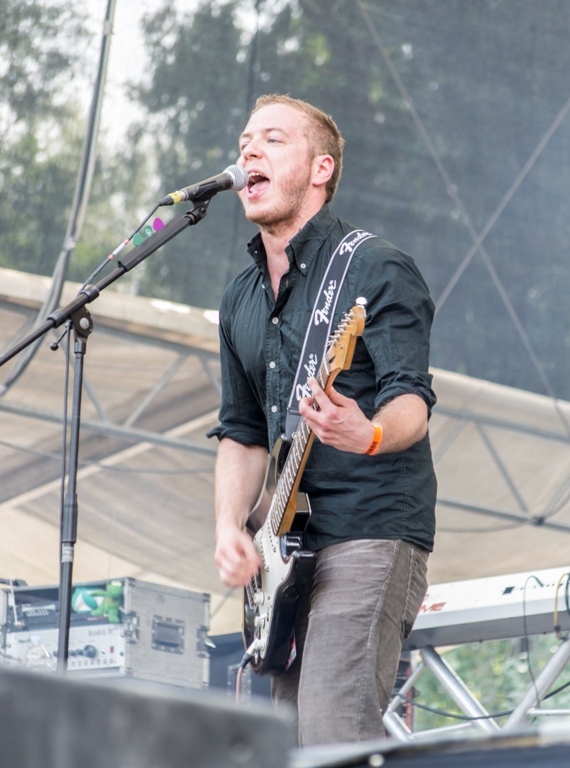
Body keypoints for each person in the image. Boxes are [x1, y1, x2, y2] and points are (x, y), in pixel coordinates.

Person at [208, 94, 436, 746]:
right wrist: (229, 525)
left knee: (333, 734)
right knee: (286, 747)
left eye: (273, 139)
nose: (250, 149)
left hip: (368, 530)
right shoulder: (241, 296)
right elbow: (242, 432)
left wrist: (368, 433)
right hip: (283, 551)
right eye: (246, 140)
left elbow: (411, 401)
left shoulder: (373, 266)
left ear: (320, 169)